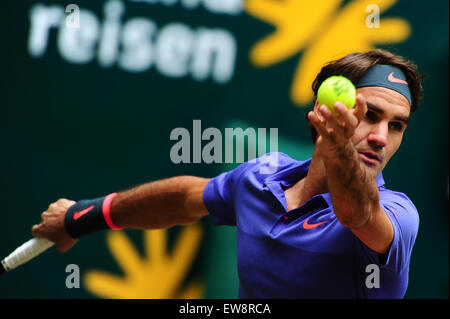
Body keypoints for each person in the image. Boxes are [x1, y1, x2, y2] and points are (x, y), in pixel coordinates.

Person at [32, 49, 424, 298]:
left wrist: (341, 149)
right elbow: (185, 199)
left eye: (396, 126)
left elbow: (357, 214)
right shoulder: (260, 178)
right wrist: (82, 216)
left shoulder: (396, 215)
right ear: (324, 111)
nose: (379, 137)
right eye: (369, 115)